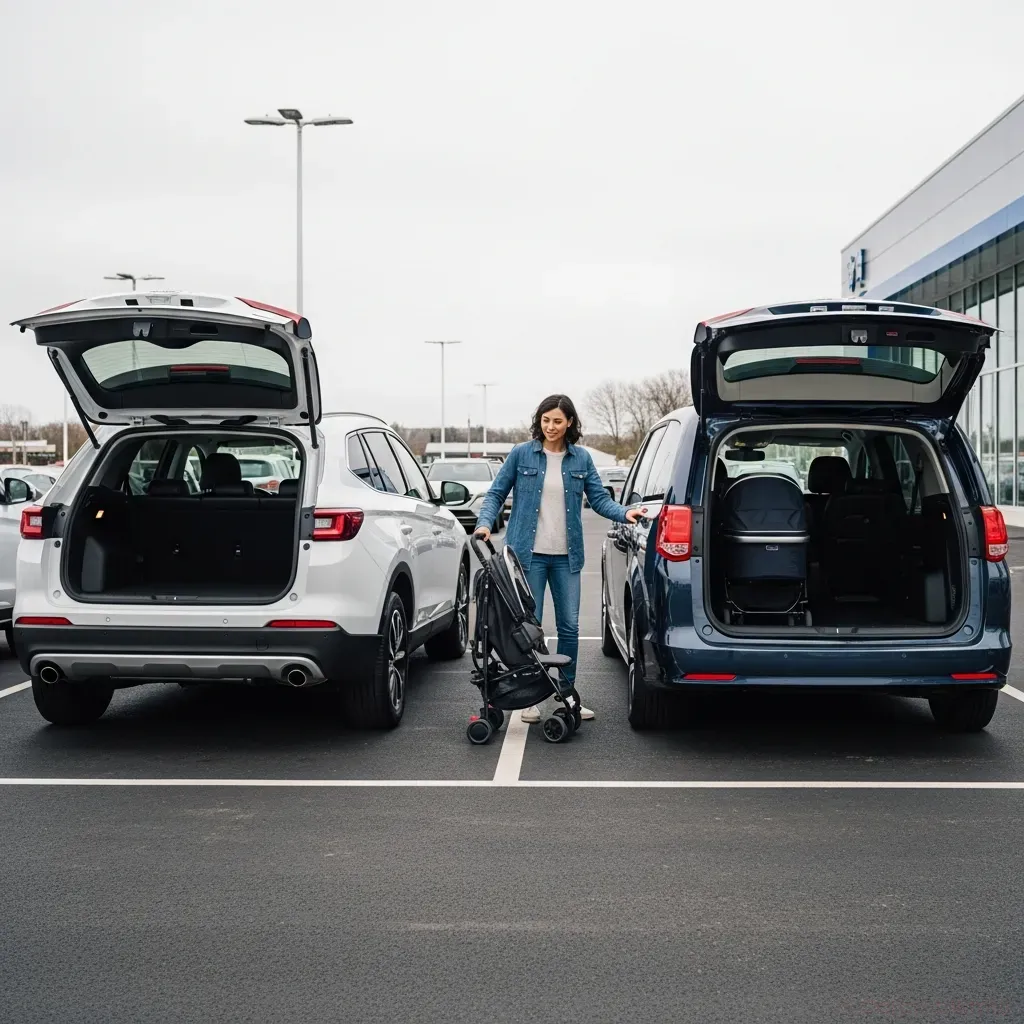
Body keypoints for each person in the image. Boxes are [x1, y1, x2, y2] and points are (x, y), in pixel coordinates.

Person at [474, 394, 645, 723]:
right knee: (530, 627)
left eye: (557, 421)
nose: (550, 427)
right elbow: (496, 492)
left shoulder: (580, 459)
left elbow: (598, 499)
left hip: (567, 558)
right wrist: (484, 524)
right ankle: (530, 697)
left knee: (570, 626)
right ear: (539, 421)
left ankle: (566, 694)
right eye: (545, 420)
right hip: (528, 556)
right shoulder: (522, 453)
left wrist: (625, 513)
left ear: (570, 423)